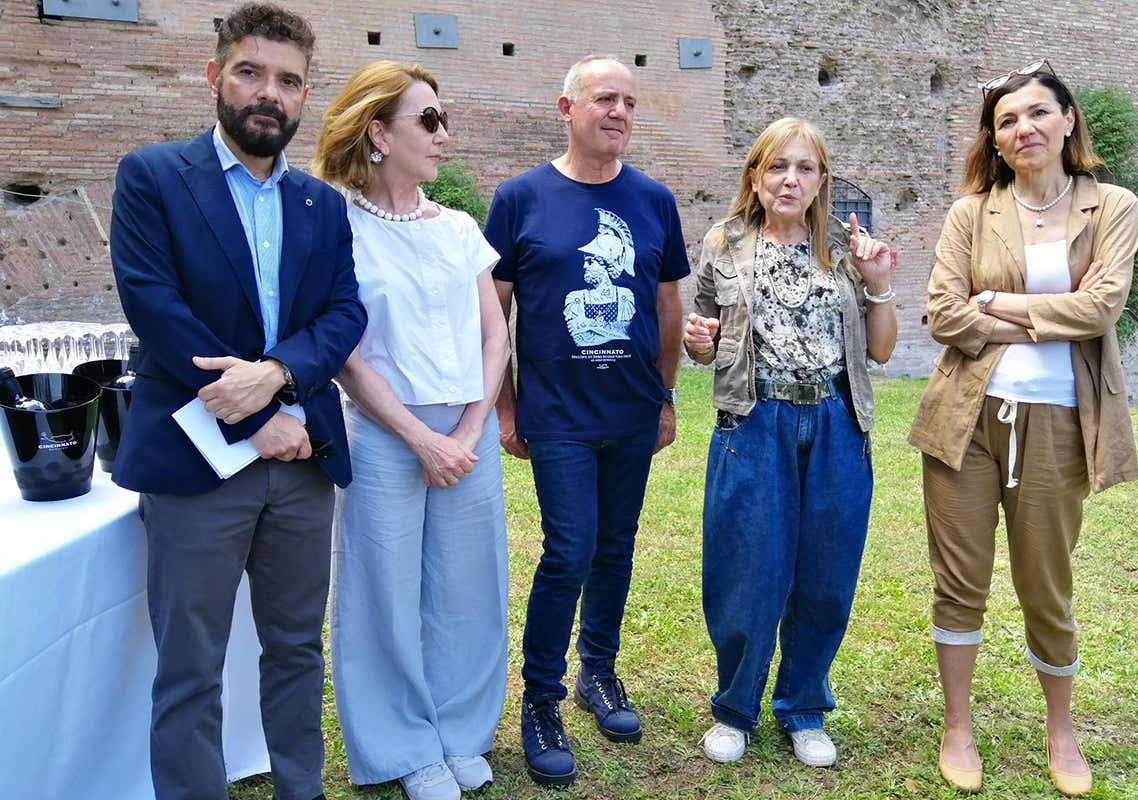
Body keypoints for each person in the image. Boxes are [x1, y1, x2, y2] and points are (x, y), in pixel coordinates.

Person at [108, 5, 367, 800]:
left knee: (296, 649)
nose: (268, 93)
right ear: (215, 76)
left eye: (288, 81)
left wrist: (277, 374)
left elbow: (345, 313)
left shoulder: (322, 204)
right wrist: (259, 419)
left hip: (301, 462)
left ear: (304, 96)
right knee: (190, 665)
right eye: (250, 72)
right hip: (196, 463)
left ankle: (301, 789)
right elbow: (156, 309)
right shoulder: (152, 176)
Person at [909, 59, 1138, 796]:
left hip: (1061, 422)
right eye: (1007, 121)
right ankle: (957, 726)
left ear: (1068, 120)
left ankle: (1061, 731)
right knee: (959, 583)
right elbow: (943, 314)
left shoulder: (1112, 206)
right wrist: (1046, 312)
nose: (1023, 128)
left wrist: (995, 304)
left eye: (1038, 113)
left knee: (1046, 584)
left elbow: (1100, 309)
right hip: (965, 419)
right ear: (996, 139)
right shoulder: (971, 213)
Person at [483, 54, 689, 787]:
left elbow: (667, 306)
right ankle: (541, 700)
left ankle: (598, 671)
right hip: (557, 414)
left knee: (615, 547)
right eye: (604, 98)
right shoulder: (520, 198)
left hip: (630, 410)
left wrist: (664, 396)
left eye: (629, 101)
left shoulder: (654, 199)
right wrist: (504, 404)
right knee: (569, 549)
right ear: (566, 108)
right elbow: (495, 311)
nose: (619, 112)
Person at [311, 62, 509, 800]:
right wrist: (417, 438)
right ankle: (401, 745)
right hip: (382, 434)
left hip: (468, 429)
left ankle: (459, 732)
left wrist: (470, 427)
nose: (443, 134)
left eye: (443, 118)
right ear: (377, 133)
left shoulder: (459, 229)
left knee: (468, 589)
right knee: (381, 594)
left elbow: (496, 335)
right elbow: (346, 352)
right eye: (428, 119)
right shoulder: (336, 226)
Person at [683, 117, 897, 767]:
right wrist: (698, 341)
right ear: (755, 176)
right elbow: (704, 341)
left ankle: (804, 707)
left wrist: (879, 285)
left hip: (835, 423)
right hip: (754, 422)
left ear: (822, 180)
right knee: (746, 573)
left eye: (805, 168)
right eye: (776, 166)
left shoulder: (845, 249)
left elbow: (882, 350)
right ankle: (735, 709)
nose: (789, 179)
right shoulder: (724, 242)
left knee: (825, 577)